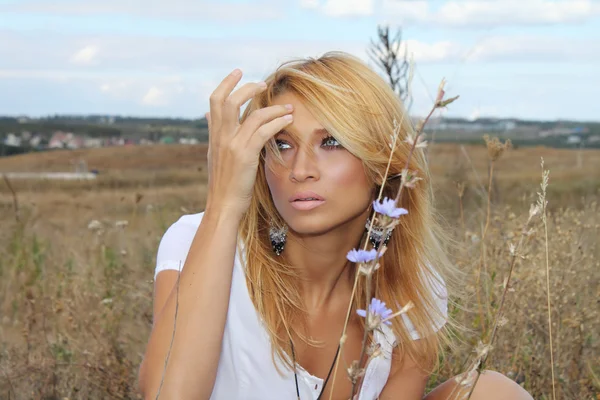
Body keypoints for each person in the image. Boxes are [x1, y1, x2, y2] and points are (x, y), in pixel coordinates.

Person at [138, 52, 533, 400]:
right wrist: (223, 207)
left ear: (381, 163)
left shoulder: (412, 288)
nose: (301, 170)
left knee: (490, 392)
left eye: (331, 142)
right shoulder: (197, 241)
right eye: (281, 144)